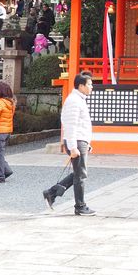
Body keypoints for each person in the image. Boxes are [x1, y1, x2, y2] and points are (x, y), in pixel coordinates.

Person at [42, 73, 95, 216]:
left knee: (79, 173)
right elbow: (71, 125)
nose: (91, 87)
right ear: (81, 86)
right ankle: (80, 206)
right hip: (76, 141)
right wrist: (73, 147)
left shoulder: (79, 99)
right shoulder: (74, 101)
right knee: (80, 175)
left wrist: (86, 143)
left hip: (80, 140)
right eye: (89, 84)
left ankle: (51, 193)